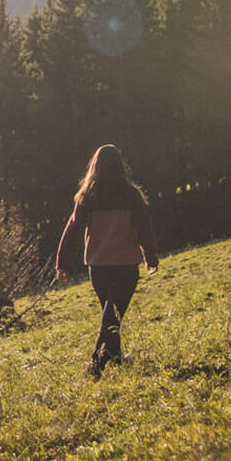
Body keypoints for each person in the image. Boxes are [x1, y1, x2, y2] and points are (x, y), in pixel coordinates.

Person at [53, 144, 160, 378]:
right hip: (125, 266)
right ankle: (96, 364)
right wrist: (150, 257)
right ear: (120, 165)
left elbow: (71, 230)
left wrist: (62, 263)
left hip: (98, 268)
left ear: (95, 166)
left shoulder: (86, 197)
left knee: (110, 314)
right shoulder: (131, 195)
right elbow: (144, 228)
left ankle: (116, 356)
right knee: (112, 316)